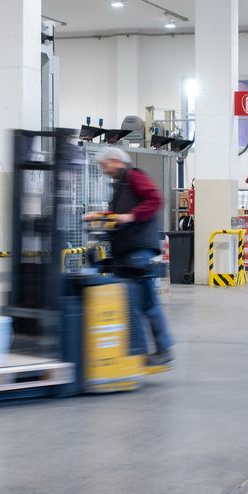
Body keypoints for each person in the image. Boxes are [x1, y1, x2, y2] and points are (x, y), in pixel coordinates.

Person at [86, 147, 174, 366]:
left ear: (115, 161)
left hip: (138, 250)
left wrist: (132, 216)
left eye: (104, 166)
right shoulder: (120, 184)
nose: (103, 171)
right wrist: (99, 216)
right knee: (134, 303)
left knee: (143, 303)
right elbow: (119, 216)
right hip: (127, 250)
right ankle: (142, 350)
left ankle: (155, 350)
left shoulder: (134, 176)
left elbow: (154, 199)